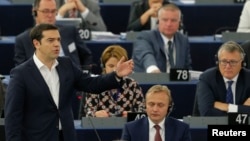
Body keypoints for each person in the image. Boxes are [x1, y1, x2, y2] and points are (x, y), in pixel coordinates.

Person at [5, 23, 134, 141]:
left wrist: (116, 75)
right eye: (51, 40)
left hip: (67, 136)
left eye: (58, 39)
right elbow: (12, 118)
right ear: (36, 43)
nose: (57, 44)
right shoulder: (20, 74)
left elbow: (91, 84)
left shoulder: (66, 64)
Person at [14, 0, 93, 69]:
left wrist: (84, 74)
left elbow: (86, 56)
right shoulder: (23, 40)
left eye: (53, 11)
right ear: (34, 12)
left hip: (73, 81)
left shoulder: (70, 31)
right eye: (45, 11)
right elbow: (20, 71)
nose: (50, 15)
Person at [83, 45, 145, 117]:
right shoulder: (95, 84)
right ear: (103, 67)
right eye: (111, 66)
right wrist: (95, 115)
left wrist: (131, 116)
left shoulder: (133, 85)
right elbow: (88, 115)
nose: (115, 70)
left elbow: (142, 114)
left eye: (118, 66)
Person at [195, 41, 250, 116]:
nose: (228, 66)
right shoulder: (207, 78)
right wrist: (242, 110)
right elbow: (207, 113)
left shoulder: (248, 78)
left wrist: (228, 107)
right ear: (217, 62)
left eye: (233, 62)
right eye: (224, 61)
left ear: (242, 63)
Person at [133, 3, 192, 73]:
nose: (169, 24)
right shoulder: (144, 37)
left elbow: (187, 68)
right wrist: (152, 69)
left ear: (179, 22)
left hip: (176, 83)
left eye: (173, 20)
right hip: (150, 82)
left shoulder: (183, 40)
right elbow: (146, 55)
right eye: (165, 20)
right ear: (158, 21)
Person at [121, 85, 192, 141]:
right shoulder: (130, 129)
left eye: (160, 105)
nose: (155, 109)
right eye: (151, 104)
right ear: (145, 105)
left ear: (168, 107)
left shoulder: (182, 129)